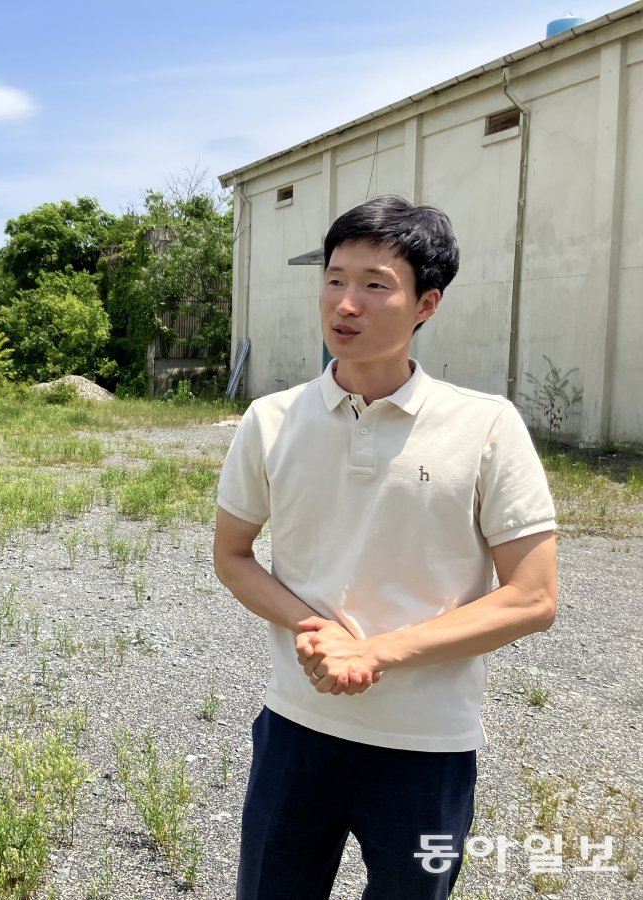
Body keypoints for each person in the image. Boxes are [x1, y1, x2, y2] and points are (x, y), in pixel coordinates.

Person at [214, 195, 558, 900]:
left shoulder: (486, 426)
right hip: (296, 729)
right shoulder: (270, 420)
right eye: (335, 279)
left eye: (375, 284)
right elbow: (234, 556)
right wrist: (321, 629)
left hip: (427, 749)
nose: (346, 303)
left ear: (426, 304)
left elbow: (533, 597)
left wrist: (373, 652)